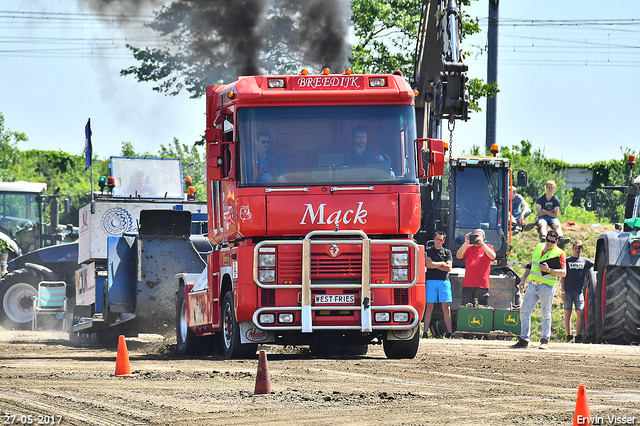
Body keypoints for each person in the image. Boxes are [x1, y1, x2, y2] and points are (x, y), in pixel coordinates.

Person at [512, 229, 566, 349]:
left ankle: (545, 340)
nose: (549, 243)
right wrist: (523, 279)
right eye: (547, 240)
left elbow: (563, 273)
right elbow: (530, 264)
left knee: (545, 313)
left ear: (556, 241)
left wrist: (549, 271)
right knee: (524, 311)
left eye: (552, 242)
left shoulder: (559, 253)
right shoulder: (538, 246)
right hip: (532, 285)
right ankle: (524, 339)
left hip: (547, 286)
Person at [560, 240, 593, 343]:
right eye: (575, 248)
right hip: (568, 291)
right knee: (567, 313)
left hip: (579, 291)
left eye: (579, 248)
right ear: (572, 249)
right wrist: (563, 291)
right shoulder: (567, 261)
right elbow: (562, 277)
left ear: (581, 250)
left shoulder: (585, 261)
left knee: (580, 312)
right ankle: (569, 336)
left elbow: (595, 266)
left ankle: (578, 336)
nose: (577, 250)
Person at [423, 231, 453, 339]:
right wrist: (442, 263)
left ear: (443, 241)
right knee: (429, 307)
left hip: (444, 282)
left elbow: (449, 267)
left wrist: (434, 264)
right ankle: (425, 332)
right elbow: (428, 265)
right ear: (434, 239)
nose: (438, 242)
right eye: (437, 239)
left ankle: (449, 333)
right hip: (431, 281)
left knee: (446, 308)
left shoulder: (447, 252)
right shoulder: (428, 251)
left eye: (440, 240)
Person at [456, 228, 496, 306]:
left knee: (481, 308)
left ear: (483, 238)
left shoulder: (488, 247)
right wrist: (466, 243)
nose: (476, 238)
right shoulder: (468, 248)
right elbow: (459, 256)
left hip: (482, 284)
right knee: (466, 307)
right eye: (474, 236)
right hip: (468, 284)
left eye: (478, 236)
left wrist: (482, 244)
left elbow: (492, 256)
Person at [535, 180, 569, 245]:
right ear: (546, 187)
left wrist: (545, 211)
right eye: (549, 187)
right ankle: (544, 236)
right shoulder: (540, 199)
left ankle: (560, 237)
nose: (550, 189)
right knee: (543, 224)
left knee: (557, 225)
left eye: (552, 187)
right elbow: (539, 214)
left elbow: (555, 215)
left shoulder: (555, 200)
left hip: (552, 218)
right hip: (542, 218)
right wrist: (551, 212)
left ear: (554, 188)